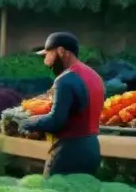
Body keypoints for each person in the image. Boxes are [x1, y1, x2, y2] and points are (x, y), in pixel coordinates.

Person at [20, 32, 105, 178]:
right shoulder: (94, 76)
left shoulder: (64, 80)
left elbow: (56, 121)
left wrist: (26, 123)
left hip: (68, 152)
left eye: (48, 55)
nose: (46, 61)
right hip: (92, 149)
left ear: (61, 51)